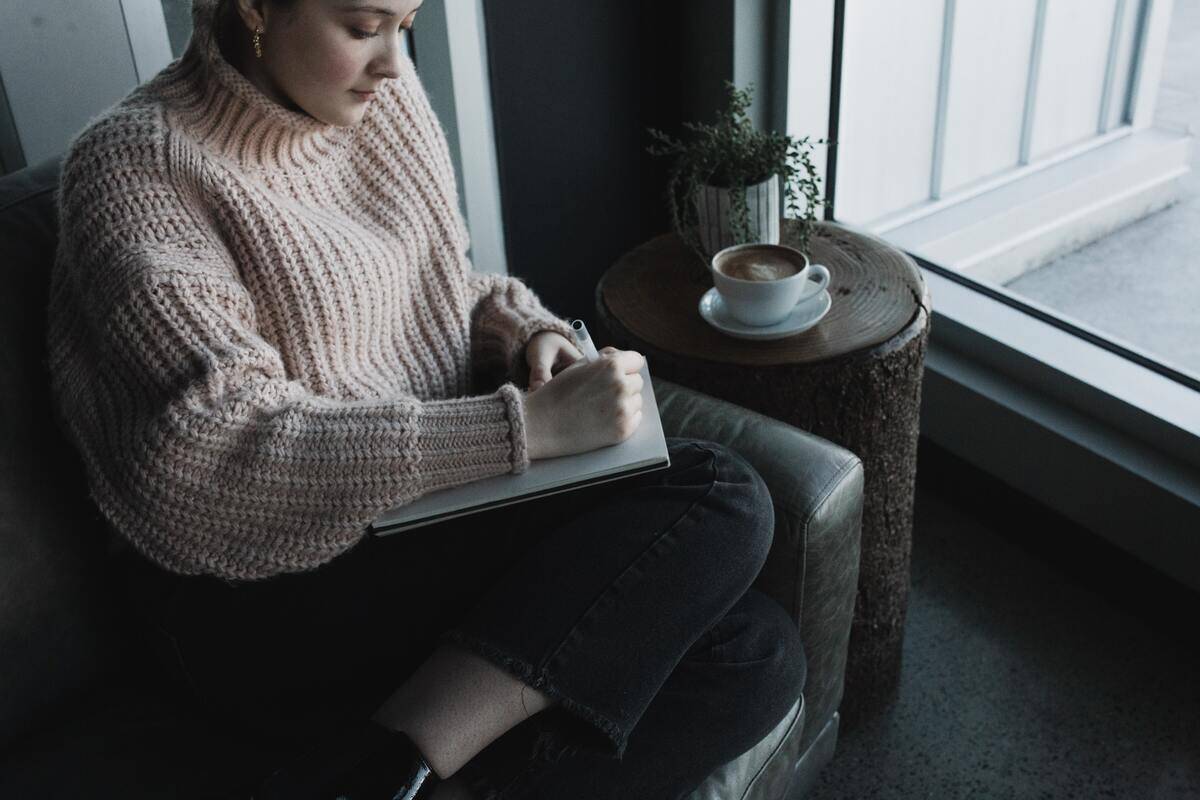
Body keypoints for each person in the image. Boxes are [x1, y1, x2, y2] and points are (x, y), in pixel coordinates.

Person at [43, 0, 807, 797]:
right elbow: (212, 447)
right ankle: (390, 762)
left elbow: (442, 292)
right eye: (364, 26)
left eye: (405, 25)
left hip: (417, 517)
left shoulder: (378, 99)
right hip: (250, 592)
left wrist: (525, 336)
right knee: (720, 492)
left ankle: (393, 771)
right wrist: (522, 430)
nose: (393, 62)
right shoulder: (134, 168)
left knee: (757, 652)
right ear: (255, 8)